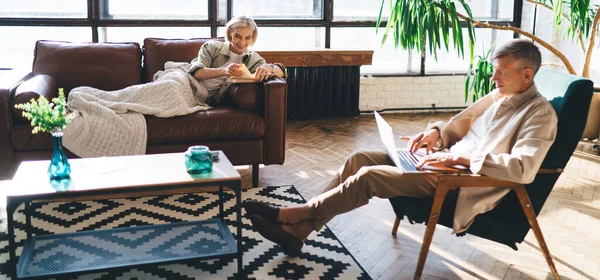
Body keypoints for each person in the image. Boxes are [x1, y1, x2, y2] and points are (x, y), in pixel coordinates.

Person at [244, 39, 558, 254]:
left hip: (461, 182)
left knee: (368, 175)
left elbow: (522, 168)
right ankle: (300, 232)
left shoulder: (539, 114)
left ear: (527, 74)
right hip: (441, 163)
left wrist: (461, 160)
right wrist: (437, 134)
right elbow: (461, 122)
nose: (494, 78)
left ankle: (294, 215)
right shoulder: (501, 96)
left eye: (500, 72)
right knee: (361, 157)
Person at [188, 16, 286, 104]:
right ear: (230, 32)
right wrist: (226, 71)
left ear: (252, 37)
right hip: (190, 83)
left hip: (208, 97)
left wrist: (268, 67)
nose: (242, 42)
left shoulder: (253, 59)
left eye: (247, 38)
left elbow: (282, 72)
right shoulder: (212, 47)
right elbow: (197, 73)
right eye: (238, 36)